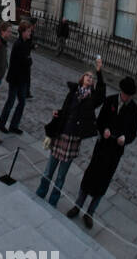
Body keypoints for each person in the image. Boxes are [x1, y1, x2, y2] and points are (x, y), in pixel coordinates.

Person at [67, 76, 137, 228]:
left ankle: (90, 213)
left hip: (114, 152)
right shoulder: (110, 101)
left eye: (129, 95)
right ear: (121, 91)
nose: (127, 97)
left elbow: (133, 133)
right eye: (125, 94)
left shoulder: (135, 110)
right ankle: (78, 205)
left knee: (103, 182)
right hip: (102, 147)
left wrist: (124, 138)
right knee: (90, 176)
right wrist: (104, 129)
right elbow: (99, 121)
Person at [35, 58, 106, 206]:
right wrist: (57, 113)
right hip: (61, 134)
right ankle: (41, 192)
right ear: (82, 78)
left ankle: (53, 200)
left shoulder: (92, 99)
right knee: (49, 170)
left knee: (61, 176)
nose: (89, 78)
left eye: (92, 78)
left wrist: (99, 72)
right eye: (87, 75)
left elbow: (101, 94)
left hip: (73, 139)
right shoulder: (73, 92)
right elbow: (66, 109)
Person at [0, 20, 34, 132]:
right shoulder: (18, 44)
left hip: (22, 79)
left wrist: (28, 60)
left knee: (22, 102)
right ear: (22, 32)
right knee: (11, 101)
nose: (30, 33)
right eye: (28, 31)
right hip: (15, 78)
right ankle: (1, 123)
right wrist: (28, 61)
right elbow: (23, 61)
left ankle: (14, 125)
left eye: (30, 31)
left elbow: (27, 60)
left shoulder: (26, 43)